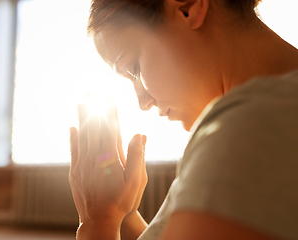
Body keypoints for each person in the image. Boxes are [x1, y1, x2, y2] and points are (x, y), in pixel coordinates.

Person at [69, 0, 298, 239]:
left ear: (189, 7)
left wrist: (98, 220)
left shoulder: (248, 128)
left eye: (134, 68)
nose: (143, 102)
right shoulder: (271, 114)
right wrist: (124, 217)